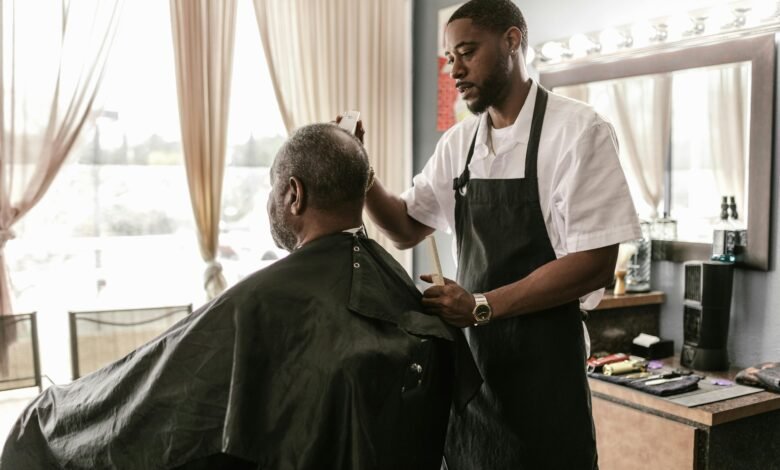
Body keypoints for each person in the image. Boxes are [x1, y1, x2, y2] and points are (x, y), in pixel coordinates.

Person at [0, 123, 480, 470]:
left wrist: (48, 414)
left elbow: (143, 407)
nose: (270, 200)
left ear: (293, 194)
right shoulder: (403, 293)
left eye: (273, 186)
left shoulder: (259, 303)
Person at [364, 1, 640, 468]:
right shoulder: (459, 144)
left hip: (545, 393)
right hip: (474, 390)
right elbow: (405, 229)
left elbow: (595, 264)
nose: (456, 69)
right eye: (450, 58)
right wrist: (361, 172)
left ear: (512, 41)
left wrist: (481, 305)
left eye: (467, 52)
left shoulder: (578, 131)